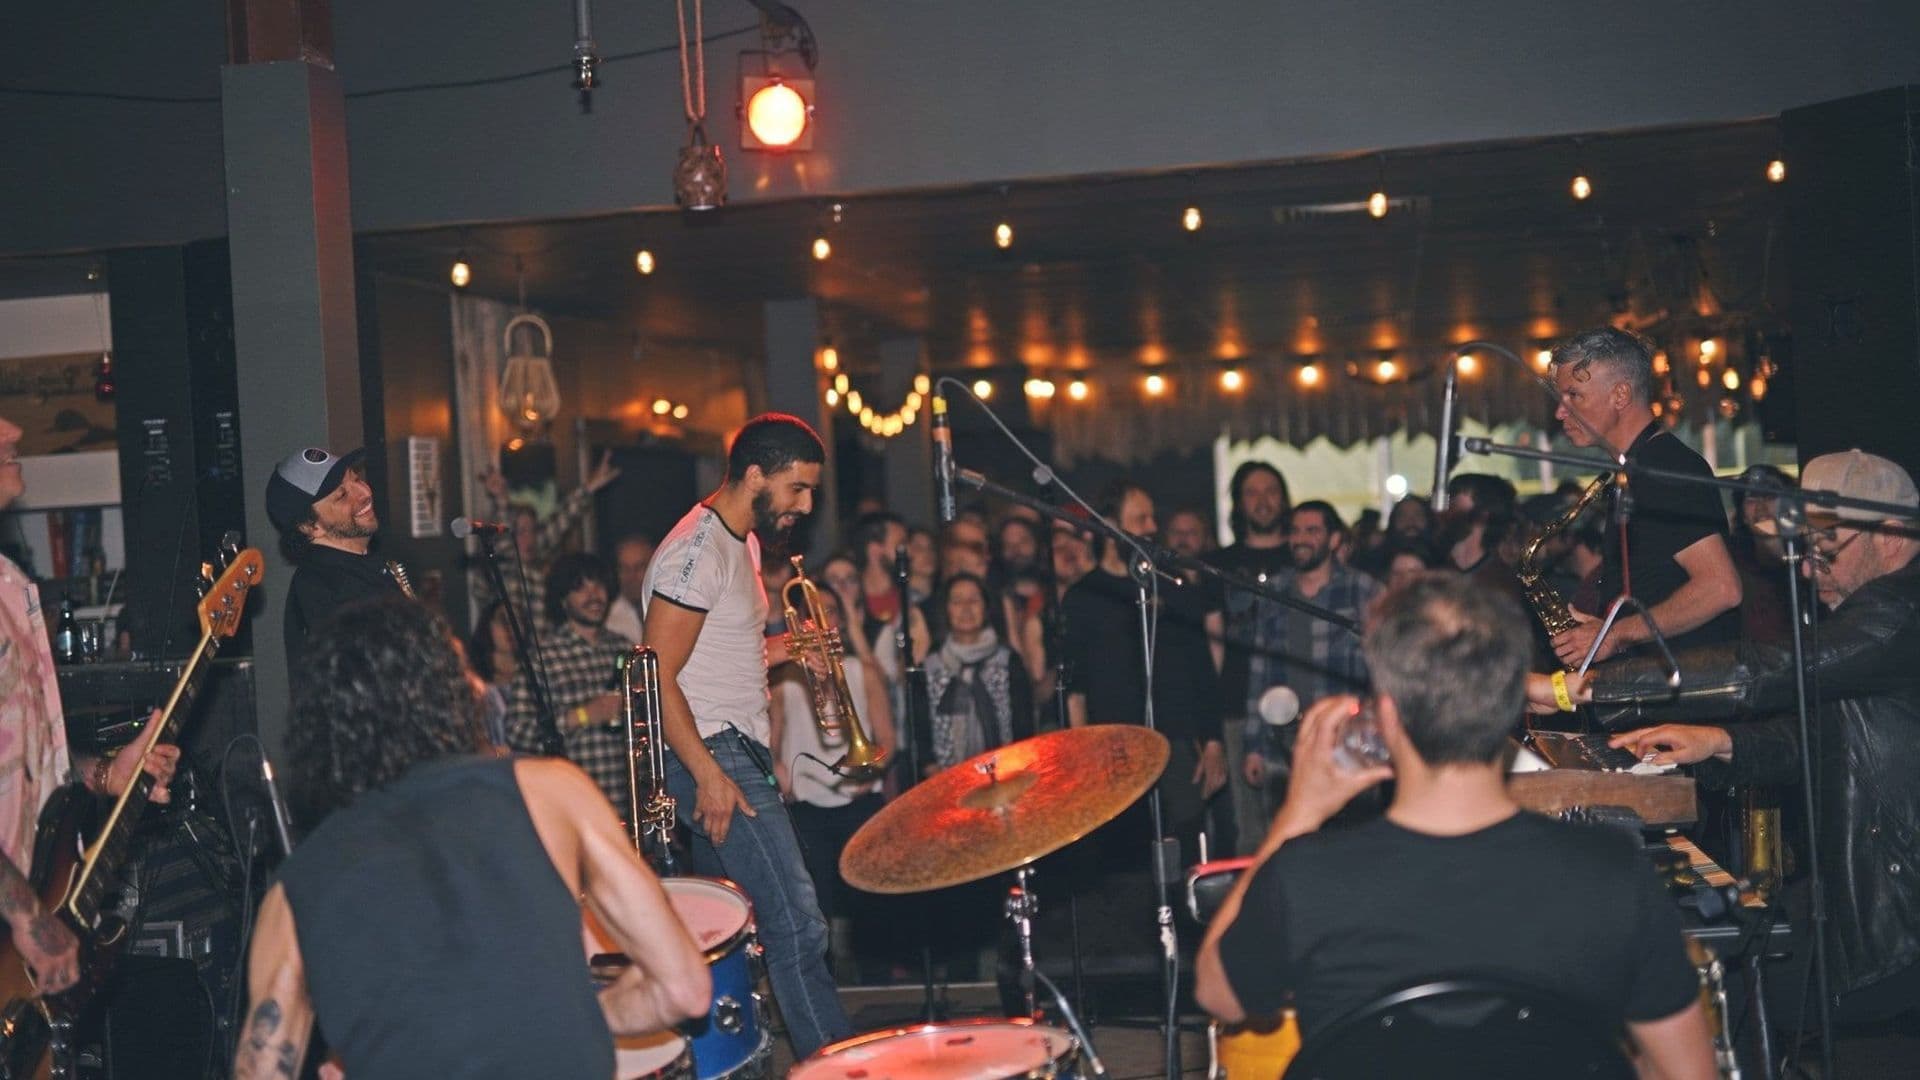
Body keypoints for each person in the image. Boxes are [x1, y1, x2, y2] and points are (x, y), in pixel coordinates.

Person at [1196, 574, 1714, 1079]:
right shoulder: (1611, 872)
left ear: (1389, 718)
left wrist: (1298, 811)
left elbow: (1216, 993)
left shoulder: (1305, 877)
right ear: (1514, 704)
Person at [235, 598, 709, 1080]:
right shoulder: (550, 791)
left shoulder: (294, 890)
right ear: (449, 692)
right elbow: (683, 988)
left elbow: (262, 1069)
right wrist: (580, 1019)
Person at [1542, 449, 1920, 1027]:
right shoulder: (1878, 611)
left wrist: (1587, 686)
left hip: (1899, 913)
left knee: (1740, 998)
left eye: (1824, 551)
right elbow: (1822, 738)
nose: (1806, 570)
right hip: (1865, 889)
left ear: (1892, 535)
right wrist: (1719, 742)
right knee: (1741, 978)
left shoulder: (1899, 613)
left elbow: (1761, 670)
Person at [640, 413, 852, 1058]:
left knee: (727, 939)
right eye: (797, 488)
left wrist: (794, 648)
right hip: (712, 751)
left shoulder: (744, 541)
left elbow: (723, 654)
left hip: (730, 746)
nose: (806, 505)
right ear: (755, 474)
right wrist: (709, 775)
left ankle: (727, 1064)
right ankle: (837, 1067)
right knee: (798, 925)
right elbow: (656, 676)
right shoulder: (695, 553)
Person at [0, 416, 179, 999]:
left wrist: (104, 773)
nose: (11, 429)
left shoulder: (8, 583)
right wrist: (27, 914)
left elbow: (22, 760)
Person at [1547, 327, 1742, 666]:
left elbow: (1721, 588)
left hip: (1687, 689)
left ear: (1620, 395)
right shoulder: (1639, 468)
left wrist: (1616, 634)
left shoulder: (1665, 467)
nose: (1559, 413)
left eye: (1573, 396)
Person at [1062, 481, 1226, 866]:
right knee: (1126, 863)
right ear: (1108, 526)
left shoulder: (1174, 587)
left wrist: (1214, 740)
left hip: (1177, 744)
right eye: (1140, 518)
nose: (1152, 527)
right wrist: (1083, 756)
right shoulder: (1085, 597)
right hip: (1114, 751)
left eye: (1153, 517)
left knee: (1188, 852)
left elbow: (1202, 668)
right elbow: (1076, 688)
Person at [772, 571, 895, 981]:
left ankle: (875, 986)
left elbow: (887, 740)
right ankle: (825, 988)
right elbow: (774, 745)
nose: (822, 620)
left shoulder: (863, 671)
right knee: (815, 904)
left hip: (858, 797)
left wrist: (872, 767)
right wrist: (780, 776)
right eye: (813, 613)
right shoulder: (786, 677)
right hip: (808, 802)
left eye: (829, 612)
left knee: (871, 901)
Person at [1239, 501, 1382, 814]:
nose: (1300, 538)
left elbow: (1385, 670)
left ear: (1333, 540)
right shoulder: (1275, 591)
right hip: (1284, 748)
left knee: (1352, 844)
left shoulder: (1362, 589)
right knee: (1289, 848)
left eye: (1312, 530)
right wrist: (1254, 748)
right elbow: (1258, 673)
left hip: (1347, 745)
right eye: (1295, 531)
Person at [503, 553, 634, 811]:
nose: (594, 595)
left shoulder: (625, 649)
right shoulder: (543, 657)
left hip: (626, 803)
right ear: (563, 599)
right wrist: (584, 715)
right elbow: (517, 732)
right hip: (571, 805)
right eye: (580, 588)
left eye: (599, 585)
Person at [1210, 461, 1293, 852]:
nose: (1262, 501)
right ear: (1239, 504)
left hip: (1299, 705)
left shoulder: (1302, 557)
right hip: (1238, 703)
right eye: (1252, 493)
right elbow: (1212, 643)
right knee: (1249, 828)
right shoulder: (1219, 564)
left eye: (1270, 490)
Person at [266, 444, 411, 666]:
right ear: (309, 526)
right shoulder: (321, 586)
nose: (364, 493)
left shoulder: (365, 566)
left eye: (356, 479)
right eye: (342, 495)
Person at [472, 450, 622, 631]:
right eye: (519, 532)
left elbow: (559, 522)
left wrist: (589, 488)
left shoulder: (535, 556)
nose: (529, 538)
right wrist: (501, 499)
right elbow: (505, 549)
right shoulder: (497, 568)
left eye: (533, 531)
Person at [922, 573, 1035, 773]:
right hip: (946, 781)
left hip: (1006, 773)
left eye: (974, 600)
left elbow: (1024, 728)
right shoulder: (930, 668)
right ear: (946, 610)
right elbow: (920, 736)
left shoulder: (1008, 662)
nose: (966, 608)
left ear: (986, 608)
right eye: (957, 601)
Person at [604, 532, 656, 645]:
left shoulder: (671, 610)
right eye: (625, 568)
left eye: (639, 567)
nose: (631, 576)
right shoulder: (607, 620)